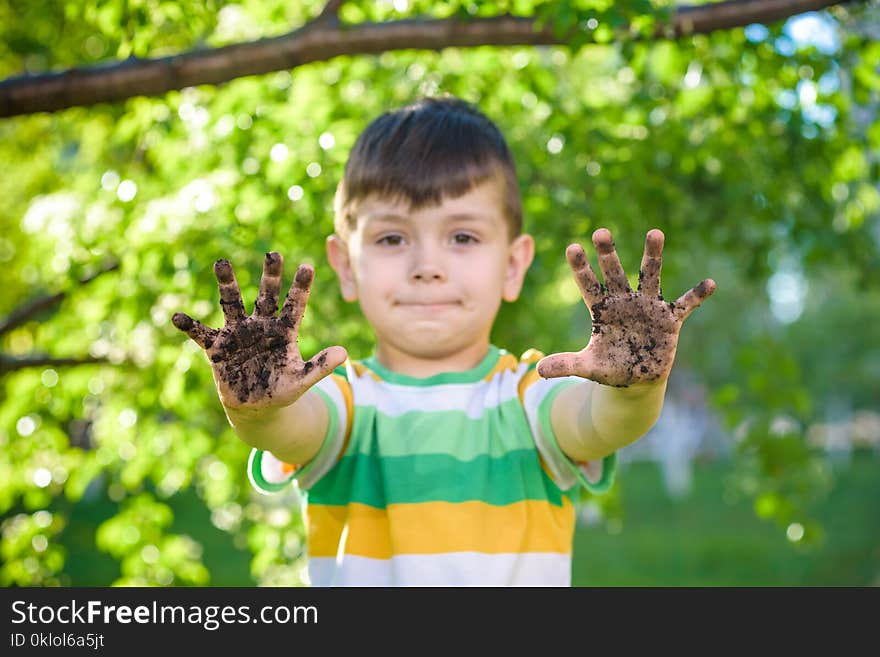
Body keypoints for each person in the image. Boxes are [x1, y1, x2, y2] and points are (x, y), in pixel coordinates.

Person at [172, 95, 716, 586]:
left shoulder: (529, 397)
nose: (427, 266)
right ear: (346, 265)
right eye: (391, 238)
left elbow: (600, 422)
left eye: (462, 236)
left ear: (512, 263)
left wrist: (638, 383)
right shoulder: (345, 399)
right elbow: (290, 427)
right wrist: (257, 407)